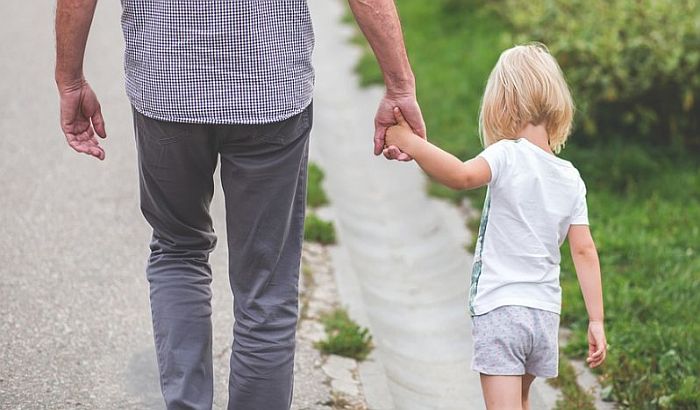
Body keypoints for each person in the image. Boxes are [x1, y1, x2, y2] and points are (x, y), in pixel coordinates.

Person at [54, 1, 424, 409]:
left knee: (178, 251)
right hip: (270, 85)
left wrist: (70, 79)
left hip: (166, 83)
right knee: (266, 287)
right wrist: (399, 85)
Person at [385, 43, 607, 410]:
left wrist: (412, 143)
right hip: (544, 316)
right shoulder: (571, 177)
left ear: (502, 104)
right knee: (521, 400)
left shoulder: (507, 154)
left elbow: (460, 175)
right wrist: (596, 320)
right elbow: (584, 250)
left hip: (502, 312)